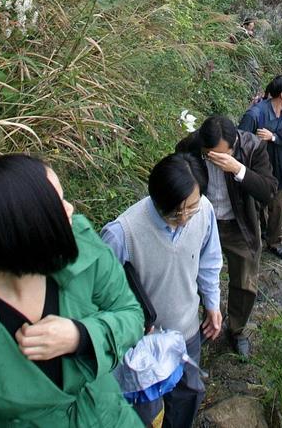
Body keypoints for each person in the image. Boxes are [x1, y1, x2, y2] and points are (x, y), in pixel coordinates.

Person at [0, 154, 144, 428]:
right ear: (23, 232)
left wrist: (81, 336)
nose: (71, 209)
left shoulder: (79, 240)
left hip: (111, 418)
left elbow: (131, 313)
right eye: (57, 205)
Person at [101, 153, 223, 428]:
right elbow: (98, 294)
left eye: (189, 208)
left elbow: (209, 260)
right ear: (156, 196)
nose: (183, 217)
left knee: (187, 397)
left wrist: (212, 304)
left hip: (187, 332)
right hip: (142, 346)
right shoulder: (122, 233)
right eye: (174, 211)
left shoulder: (203, 210)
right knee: (144, 412)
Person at [176, 115, 277, 357]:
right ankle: (203, 323)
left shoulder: (253, 146)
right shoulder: (191, 146)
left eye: (224, 153)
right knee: (194, 277)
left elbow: (269, 191)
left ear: (235, 145)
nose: (218, 158)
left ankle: (237, 329)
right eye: (211, 154)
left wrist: (238, 169)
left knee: (244, 281)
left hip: (239, 224)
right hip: (201, 223)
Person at [238, 75, 282, 259]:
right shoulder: (255, 114)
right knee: (256, 204)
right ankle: (256, 239)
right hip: (257, 164)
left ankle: (274, 242)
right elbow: (241, 140)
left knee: (278, 205)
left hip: (279, 162)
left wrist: (274, 136)